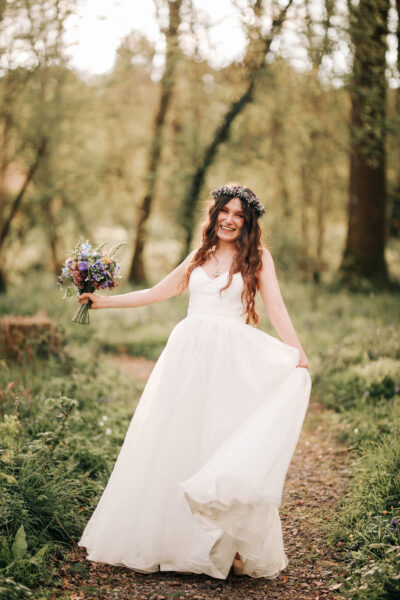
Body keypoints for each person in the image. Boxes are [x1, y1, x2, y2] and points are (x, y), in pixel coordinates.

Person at [77, 183, 311, 580]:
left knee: (220, 438)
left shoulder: (258, 258)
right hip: (187, 357)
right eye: (225, 211)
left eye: (239, 215)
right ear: (215, 213)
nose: (230, 220)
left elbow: (276, 308)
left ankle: (224, 545)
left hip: (231, 358)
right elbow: (156, 293)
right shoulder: (199, 256)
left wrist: (298, 352)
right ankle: (172, 541)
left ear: (248, 222)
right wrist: (103, 302)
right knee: (177, 439)